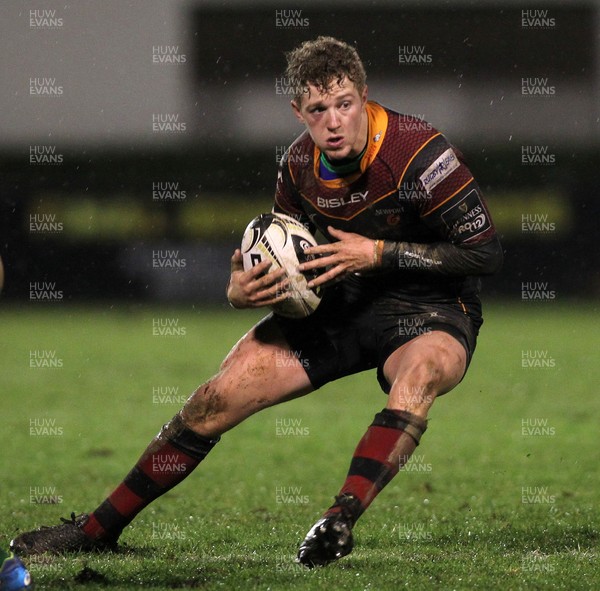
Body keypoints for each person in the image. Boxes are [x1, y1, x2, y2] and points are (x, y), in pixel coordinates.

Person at [11, 36, 502, 568]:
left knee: (421, 375)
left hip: (430, 310)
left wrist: (379, 253)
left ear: (364, 96)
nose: (333, 121)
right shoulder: (296, 166)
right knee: (214, 398)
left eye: (344, 104)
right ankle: (97, 530)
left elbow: (484, 253)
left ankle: (339, 520)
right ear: (298, 111)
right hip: (340, 304)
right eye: (318, 110)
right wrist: (241, 289)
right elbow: (285, 257)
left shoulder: (420, 153)